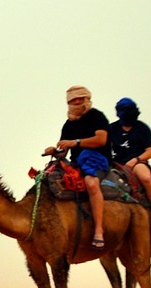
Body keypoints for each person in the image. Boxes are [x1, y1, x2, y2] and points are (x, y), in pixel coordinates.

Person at [43, 85, 111, 250]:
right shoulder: (69, 124)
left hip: (97, 159)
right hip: (76, 162)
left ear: (87, 99)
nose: (77, 102)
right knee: (48, 180)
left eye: (80, 98)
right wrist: (54, 150)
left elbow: (101, 140)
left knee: (91, 183)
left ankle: (98, 231)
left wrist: (77, 142)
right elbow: (64, 149)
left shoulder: (97, 116)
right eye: (73, 100)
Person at [109, 97, 151, 229]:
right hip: (116, 163)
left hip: (137, 162)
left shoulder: (142, 128)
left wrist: (136, 160)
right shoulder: (112, 129)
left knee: (146, 178)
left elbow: (150, 151)